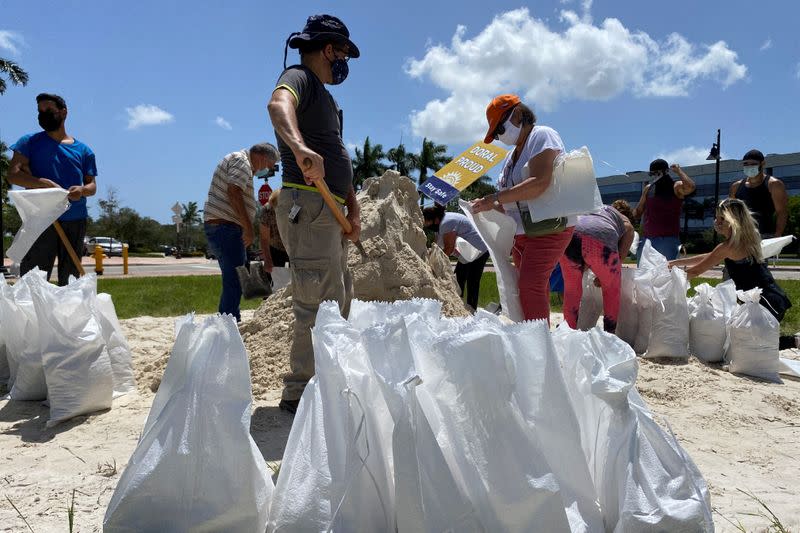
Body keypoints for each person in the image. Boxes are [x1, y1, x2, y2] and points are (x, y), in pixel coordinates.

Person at [267, 14, 361, 414]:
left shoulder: (327, 98)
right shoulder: (299, 77)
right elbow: (277, 105)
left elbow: (338, 155)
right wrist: (300, 149)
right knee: (314, 300)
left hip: (331, 208)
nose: (344, 63)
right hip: (308, 202)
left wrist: (352, 205)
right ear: (328, 49)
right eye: (342, 53)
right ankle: (300, 393)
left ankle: (324, 380)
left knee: (336, 296)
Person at [471, 94, 574, 322]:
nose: (499, 137)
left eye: (499, 129)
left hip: (549, 227)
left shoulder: (542, 135)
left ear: (517, 115)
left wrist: (495, 198)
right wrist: (483, 206)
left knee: (530, 285)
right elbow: (510, 204)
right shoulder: (511, 157)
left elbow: (540, 182)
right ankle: (535, 337)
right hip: (523, 233)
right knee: (529, 288)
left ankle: (539, 346)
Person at [669, 198, 796, 350]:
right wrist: (674, 263)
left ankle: (794, 342)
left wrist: (669, 278)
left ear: (733, 220)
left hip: (764, 303)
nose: (717, 222)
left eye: (722, 218)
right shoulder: (745, 240)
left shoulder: (728, 246)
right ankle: (792, 341)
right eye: (716, 217)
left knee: (746, 346)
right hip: (772, 297)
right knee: (747, 343)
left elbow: (696, 271)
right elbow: (709, 256)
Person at [7, 93, 97, 286]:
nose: (43, 115)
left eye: (49, 110)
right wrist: (42, 183)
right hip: (41, 219)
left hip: (75, 218)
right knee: (34, 277)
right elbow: (13, 174)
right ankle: (32, 315)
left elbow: (92, 186)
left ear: (63, 112)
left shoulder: (84, 151)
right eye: (40, 111)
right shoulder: (28, 142)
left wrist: (81, 190)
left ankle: (69, 314)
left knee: (71, 277)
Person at [203, 143, 280, 322]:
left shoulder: (239, 160)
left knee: (236, 278)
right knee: (235, 280)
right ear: (261, 158)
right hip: (226, 227)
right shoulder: (242, 162)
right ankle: (228, 325)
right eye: (269, 167)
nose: (267, 172)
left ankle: (229, 320)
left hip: (225, 227)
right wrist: (247, 227)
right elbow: (234, 192)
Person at [559, 201, 635, 333]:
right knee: (611, 289)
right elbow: (621, 251)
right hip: (601, 239)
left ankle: (568, 334)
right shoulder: (624, 220)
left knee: (571, 291)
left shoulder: (596, 207)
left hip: (570, 236)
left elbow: (585, 243)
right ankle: (609, 335)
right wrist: (605, 275)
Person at [422, 204, 490, 311]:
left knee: (472, 280)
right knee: (459, 277)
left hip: (479, 250)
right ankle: (459, 304)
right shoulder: (440, 222)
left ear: (434, 219)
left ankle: (471, 309)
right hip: (467, 252)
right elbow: (437, 245)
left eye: (427, 223)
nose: (426, 226)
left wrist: (435, 264)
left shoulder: (447, 222)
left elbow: (448, 248)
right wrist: (430, 254)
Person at [632, 159, 696, 261]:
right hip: (647, 239)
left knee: (666, 274)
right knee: (644, 275)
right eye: (652, 174)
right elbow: (638, 212)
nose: (654, 176)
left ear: (665, 172)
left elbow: (690, 187)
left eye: (656, 173)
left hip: (668, 239)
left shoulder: (675, 187)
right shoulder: (648, 188)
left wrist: (679, 171)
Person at [730, 149, 788, 238]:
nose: (749, 167)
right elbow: (731, 213)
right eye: (746, 164)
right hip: (742, 236)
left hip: (766, 235)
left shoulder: (774, 185)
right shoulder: (736, 187)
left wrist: (778, 234)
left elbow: (782, 212)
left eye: (753, 164)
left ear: (762, 163)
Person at [259, 188, 289, 271]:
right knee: (274, 275)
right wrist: (267, 259)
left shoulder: (295, 208)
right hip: (275, 246)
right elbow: (264, 239)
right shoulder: (267, 210)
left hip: (294, 246)